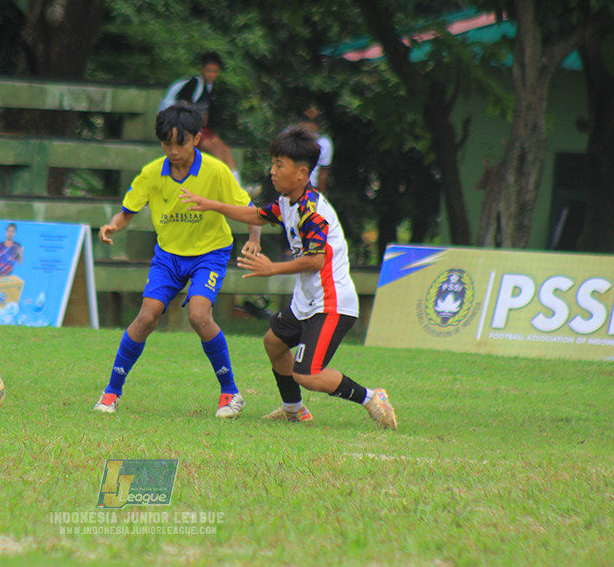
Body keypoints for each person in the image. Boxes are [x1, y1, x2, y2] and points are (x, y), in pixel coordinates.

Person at [180, 125, 397, 429]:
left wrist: (272, 269)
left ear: (301, 172)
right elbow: (257, 215)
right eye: (273, 163)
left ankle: (372, 397)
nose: (272, 171)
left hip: (331, 303)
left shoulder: (313, 211)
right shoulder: (288, 201)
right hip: (308, 300)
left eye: (279, 165)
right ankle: (293, 409)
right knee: (274, 343)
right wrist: (211, 205)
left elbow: (316, 260)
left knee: (308, 374)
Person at [93, 103, 262, 419]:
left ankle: (230, 393)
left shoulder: (216, 171)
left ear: (196, 139)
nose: (173, 151)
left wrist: (254, 239)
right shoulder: (152, 172)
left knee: (199, 315)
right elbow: (127, 211)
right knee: (146, 317)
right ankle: (111, 392)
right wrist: (113, 226)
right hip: (169, 255)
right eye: (166, 143)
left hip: (209, 254)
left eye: (180, 143)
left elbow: (250, 210)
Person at [159, 52, 245, 187]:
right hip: (180, 126)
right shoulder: (194, 84)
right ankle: (226, 187)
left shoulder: (208, 87)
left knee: (225, 150)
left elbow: (205, 114)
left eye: (215, 72)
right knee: (215, 150)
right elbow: (184, 110)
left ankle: (238, 186)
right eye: (208, 71)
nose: (211, 75)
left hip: (198, 127)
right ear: (201, 69)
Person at [299, 105, 333, 192]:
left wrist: (320, 197)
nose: (308, 125)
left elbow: (322, 175)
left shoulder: (324, 143)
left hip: (308, 188)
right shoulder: (290, 139)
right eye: (306, 120)